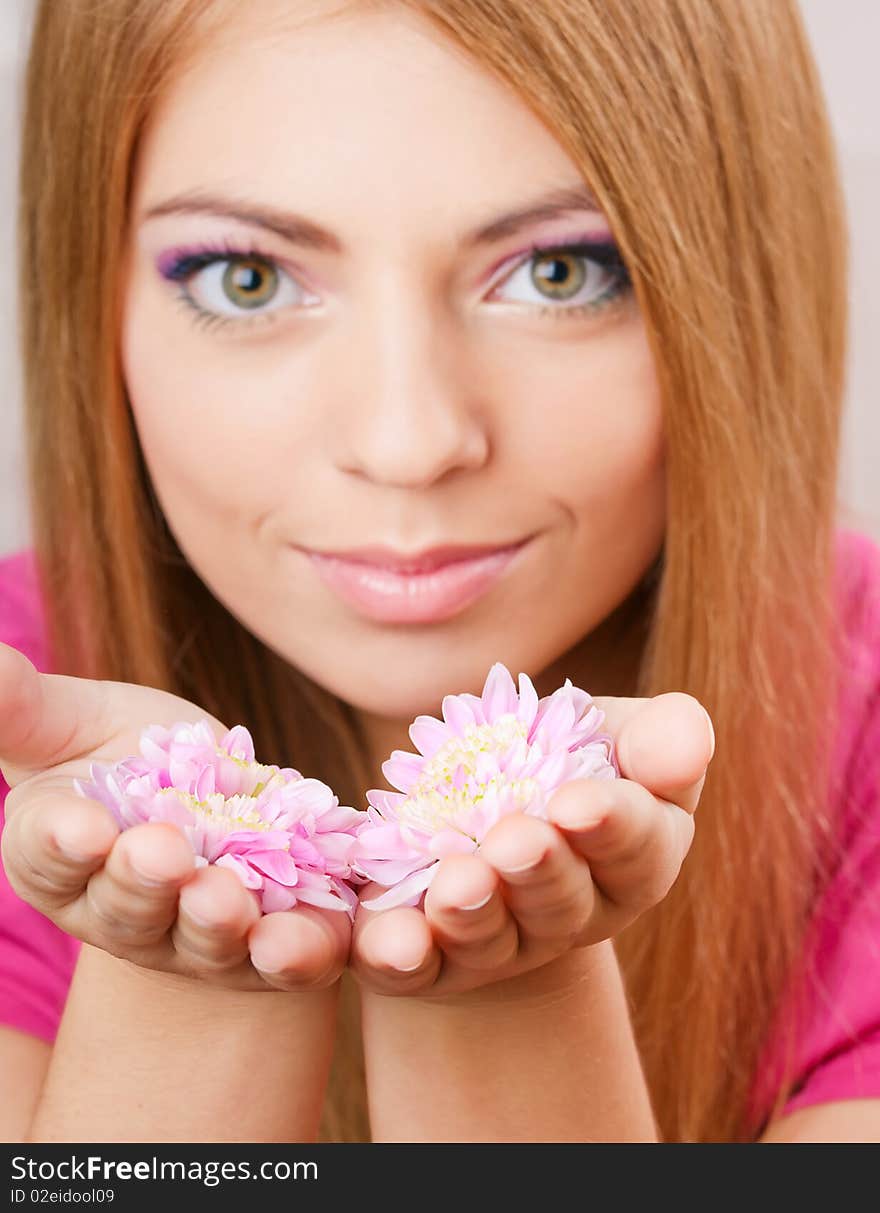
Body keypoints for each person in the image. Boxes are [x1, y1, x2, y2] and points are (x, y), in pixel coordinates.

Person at [0, 0, 878, 1144]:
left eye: (561, 272)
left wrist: (506, 982)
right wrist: (193, 979)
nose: (408, 441)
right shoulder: (35, 725)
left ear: (740, 288)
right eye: (246, 278)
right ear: (92, 299)